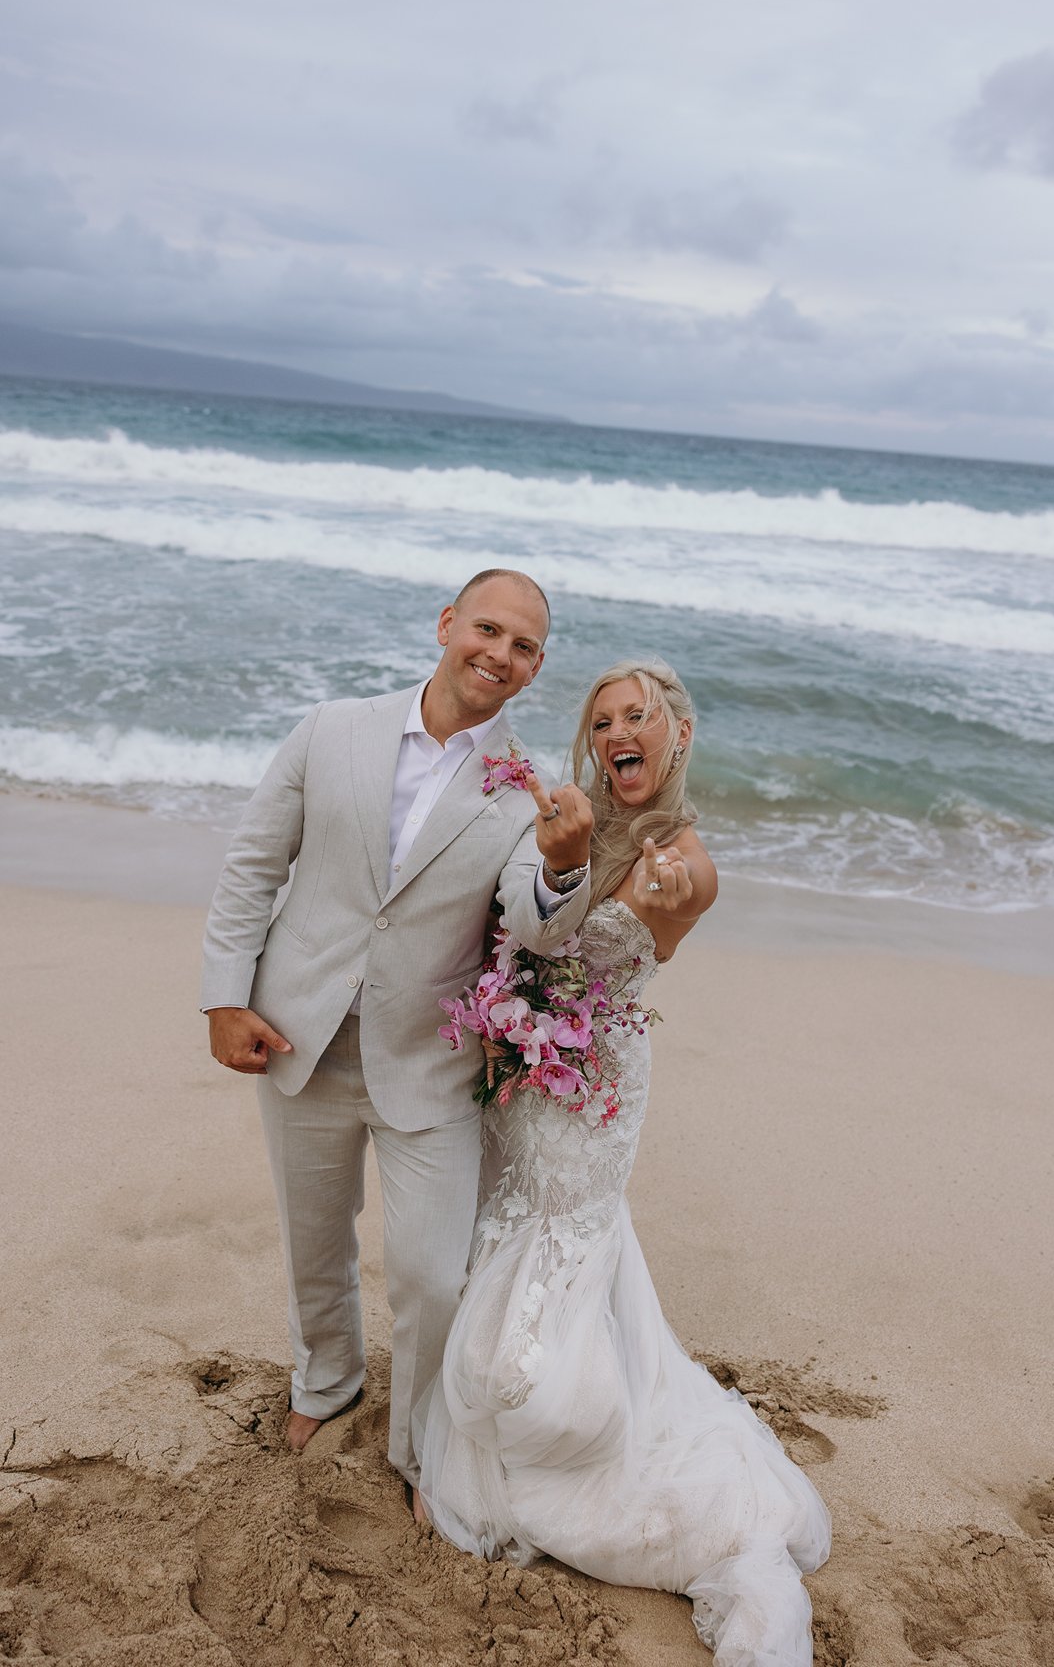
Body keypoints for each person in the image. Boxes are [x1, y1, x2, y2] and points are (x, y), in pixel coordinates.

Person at [414, 658, 832, 1667]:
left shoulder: (681, 857)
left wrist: (671, 894)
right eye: (602, 722)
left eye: (637, 717)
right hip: (520, 1070)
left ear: (677, 734)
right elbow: (517, 920)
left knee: (564, 1229)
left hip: (595, 1086)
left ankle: (557, 1416)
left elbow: (671, 912)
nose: (616, 734)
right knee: (501, 1223)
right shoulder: (565, 819)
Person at [200, 569, 593, 1482]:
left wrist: (564, 869)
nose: (499, 653)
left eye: (523, 646)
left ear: (536, 670)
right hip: (298, 1032)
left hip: (428, 1062)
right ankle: (326, 1382)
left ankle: (421, 1446)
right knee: (314, 1237)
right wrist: (225, 996)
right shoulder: (331, 728)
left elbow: (530, 926)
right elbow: (252, 869)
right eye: (488, 629)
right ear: (449, 623)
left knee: (429, 1273)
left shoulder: (530, 790)